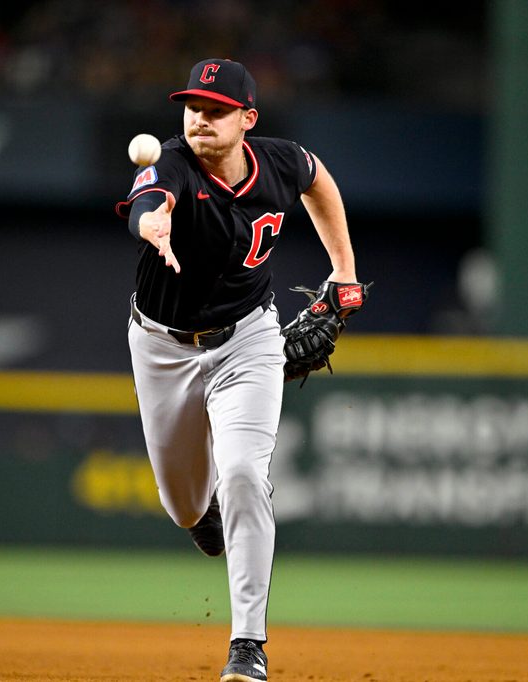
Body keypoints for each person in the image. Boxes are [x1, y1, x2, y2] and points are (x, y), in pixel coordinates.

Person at [115, 57, 359, 682]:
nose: (200, 118)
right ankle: (203, 520)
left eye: (216, 109)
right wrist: (153, 222)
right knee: (182, 504)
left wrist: (344, 273)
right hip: (164, 349)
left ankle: (247, 646)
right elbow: (150, 197)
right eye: (193, 107)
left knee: (246, 474)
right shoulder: (171, 161)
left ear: (247, 119)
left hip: (249, 339)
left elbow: (318, 180)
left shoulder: (278, 160)